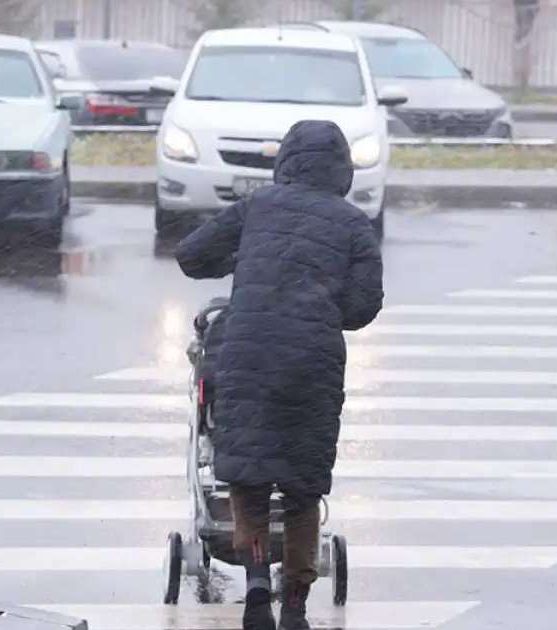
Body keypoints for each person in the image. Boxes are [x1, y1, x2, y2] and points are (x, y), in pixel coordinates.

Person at [175, 120, 384, 630]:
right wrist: (319, 302)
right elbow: (362, 307)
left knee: (248, 478)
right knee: (301, 486)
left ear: (285, 161)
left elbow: (190, 256)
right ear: (343, 170)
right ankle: (294, 604)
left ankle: (254, 588)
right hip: (311, 363)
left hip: (248, 355)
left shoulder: (258, 207)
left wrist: (245, 263)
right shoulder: (354, 225)